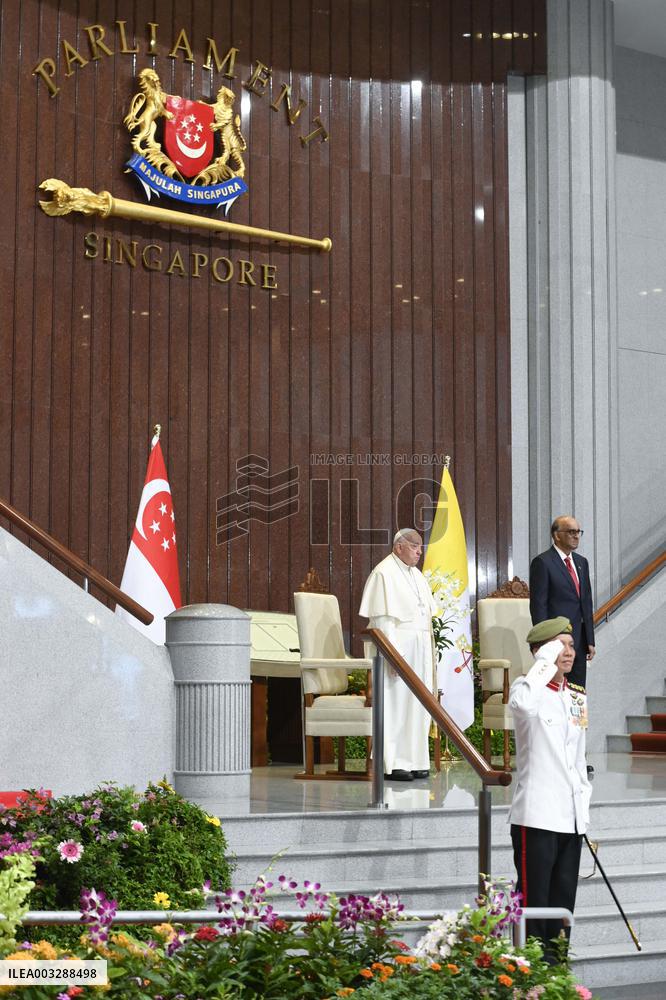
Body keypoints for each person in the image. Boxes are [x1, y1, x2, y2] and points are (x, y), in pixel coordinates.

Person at [509, 617, 592, 964]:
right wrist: (546, 660)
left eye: (571, 645)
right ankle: (528, 974)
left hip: (569, 818)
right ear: (540, 651)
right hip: (537, 816)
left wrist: (583, 812)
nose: (569, 652)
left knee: (562, 906)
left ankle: (556, 971)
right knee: (534, 902)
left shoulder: (576, 697)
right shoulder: (524, 689)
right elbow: (525, 706)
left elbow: (578, 757)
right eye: (560, 645)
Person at [359, 529, 437, 781]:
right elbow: (382, 622)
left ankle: (414, 760)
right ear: (398, 547)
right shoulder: (384, 573)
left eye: (420, 547)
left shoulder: (416, 575)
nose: (419, 551)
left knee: (418, 705)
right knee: (397, 705)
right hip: (397, 650)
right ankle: (391, 763)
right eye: (414, 547)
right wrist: (392, 656)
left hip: (420, 649)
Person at [529, 515, 595, 691]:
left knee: (577, 692)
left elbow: (586, 602)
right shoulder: (542, 562)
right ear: (557, 535)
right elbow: (538, 606)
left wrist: (590, 639)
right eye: (571, 532)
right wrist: (543, 643)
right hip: (555, 641)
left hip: (579, 642)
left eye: (578, 532)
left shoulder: (582, 562)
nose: (576, 536)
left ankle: (576, 720)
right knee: (554, 690)